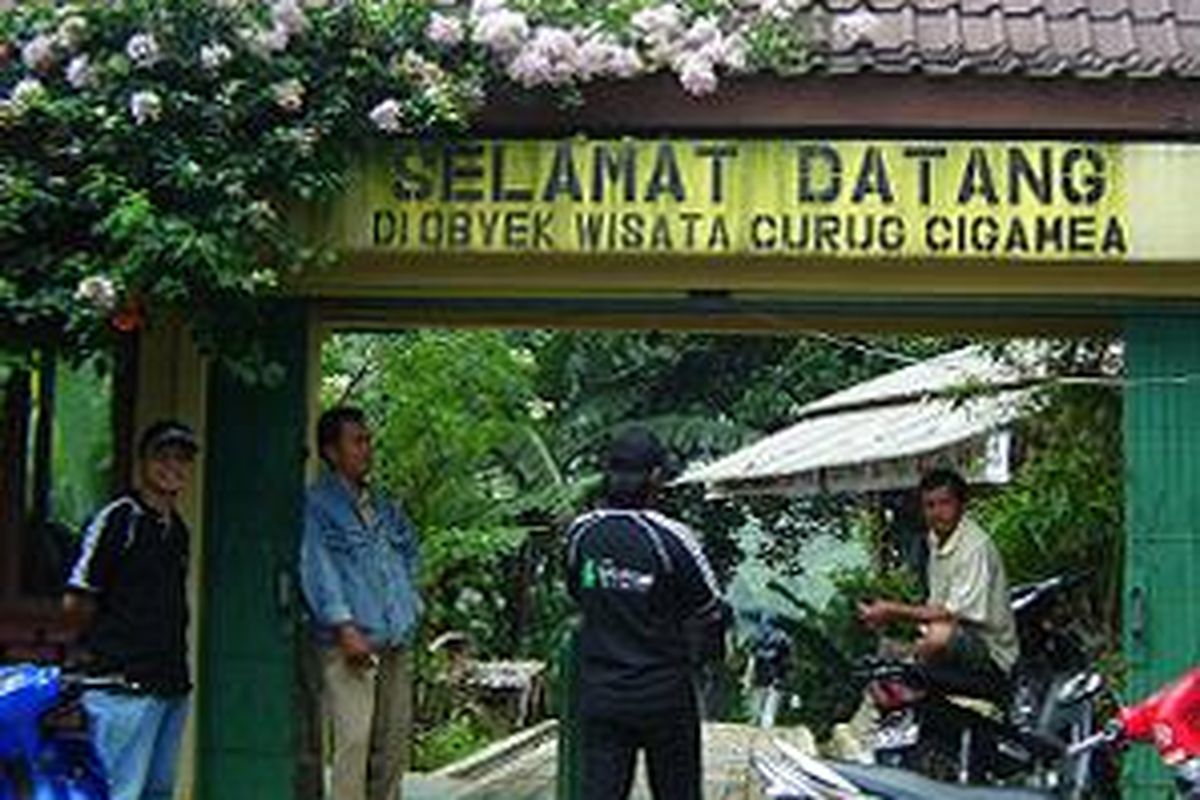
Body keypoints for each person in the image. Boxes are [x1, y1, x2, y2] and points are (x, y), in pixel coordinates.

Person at [566, 426, 726, 800]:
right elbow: (710, 609)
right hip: (664, 697)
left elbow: (577, 593)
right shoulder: (672, 538)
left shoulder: (581, 534)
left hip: (601, 695)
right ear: (656, 477)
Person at [63, 420, 198, 800]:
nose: (172, 466)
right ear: (142, 461)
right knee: (117, 790)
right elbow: (77, 598)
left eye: (182, 458)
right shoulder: (119, 519)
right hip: (120, 686)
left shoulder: (178, 531)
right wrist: (101, 653)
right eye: (162, 455)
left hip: (169, 683)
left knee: (157, 791)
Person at [300, 406, 423, 800]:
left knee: (392, 744)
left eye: (368, 440)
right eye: (358, 441)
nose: (367, 449)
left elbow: (408, 550)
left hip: (395, 637)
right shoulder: (317, 504)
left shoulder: (382, 504)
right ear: (332, 451)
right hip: (350, 642)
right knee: (354, 743)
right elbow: (317, 568)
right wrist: (345, 626)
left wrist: (410, 603)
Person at [858, 468, 1019, 700]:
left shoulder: (974, 547)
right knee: (881, 651)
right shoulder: (935, 539)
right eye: (930, 505)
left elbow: (949, 615)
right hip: (954, 633)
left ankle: (911, 682)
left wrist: (893, 610)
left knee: (939, 634)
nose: (937, 513)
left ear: (961, 505)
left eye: (945, 503)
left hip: (989, 651)